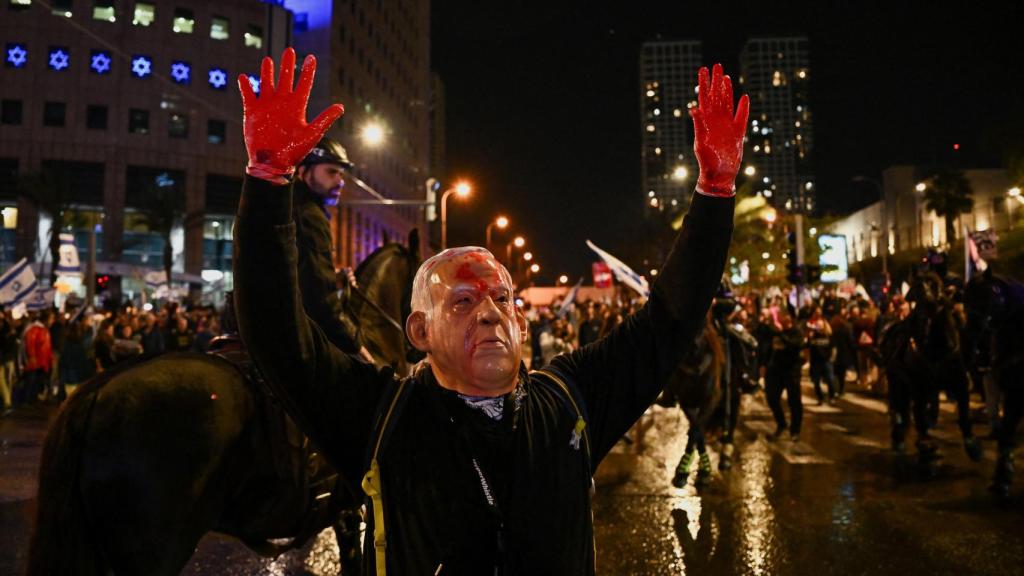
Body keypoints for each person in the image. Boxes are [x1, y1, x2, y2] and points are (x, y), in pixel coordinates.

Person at [233, 49, 744, 574]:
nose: (488, 313)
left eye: (501, 298)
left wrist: (715, 194)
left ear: (521, 322)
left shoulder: (570, 400)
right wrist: (269, 180)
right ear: (419, 330)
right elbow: (276, 334)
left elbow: (669, 322)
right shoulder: (381, 417)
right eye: (462, 300)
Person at [293, 136, 369, 359]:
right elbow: (320, 302)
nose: (340, 181)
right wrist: (355, 346)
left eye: (341, 174)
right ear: (303, 171)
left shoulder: (294, 205)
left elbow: (300, 276)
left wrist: (331, 277)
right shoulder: (309, 216)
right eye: (331, 172)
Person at [764, 307, 806, 441]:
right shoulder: (775, 332)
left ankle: (795, 431)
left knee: (794, 401)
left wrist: (781, 334)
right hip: (776, 370)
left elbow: (795, 346)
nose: (781, 318)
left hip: (791, 371)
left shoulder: (796, 332)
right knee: (772, 397)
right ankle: (781, 423)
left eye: (783, 315)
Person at [805, 305, 836, 405]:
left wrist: (832, 358)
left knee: (830, 380)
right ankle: (820, 398)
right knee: (816, 382)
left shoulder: (828, 336)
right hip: (816, 362)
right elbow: (807, 347)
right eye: (817, 325)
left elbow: (833, 347)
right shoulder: (813, 336)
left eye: (820, 325)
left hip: (826, 361)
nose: (818, 327)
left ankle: (832, 396)